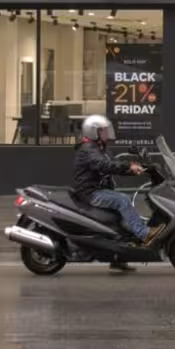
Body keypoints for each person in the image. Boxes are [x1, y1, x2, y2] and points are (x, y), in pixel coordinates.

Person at [72, 115, 163, 270]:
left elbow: (112, 165)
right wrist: (128, 167)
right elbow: (103, 165)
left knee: (118, 218)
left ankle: (118, 257)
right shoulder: (89, 149)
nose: (107, 133)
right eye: (103, 131)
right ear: (94, 132)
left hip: (97, 189)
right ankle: (144, 233)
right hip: (90, 192)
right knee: (122, 200)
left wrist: (135, 169)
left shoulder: (99, 148)